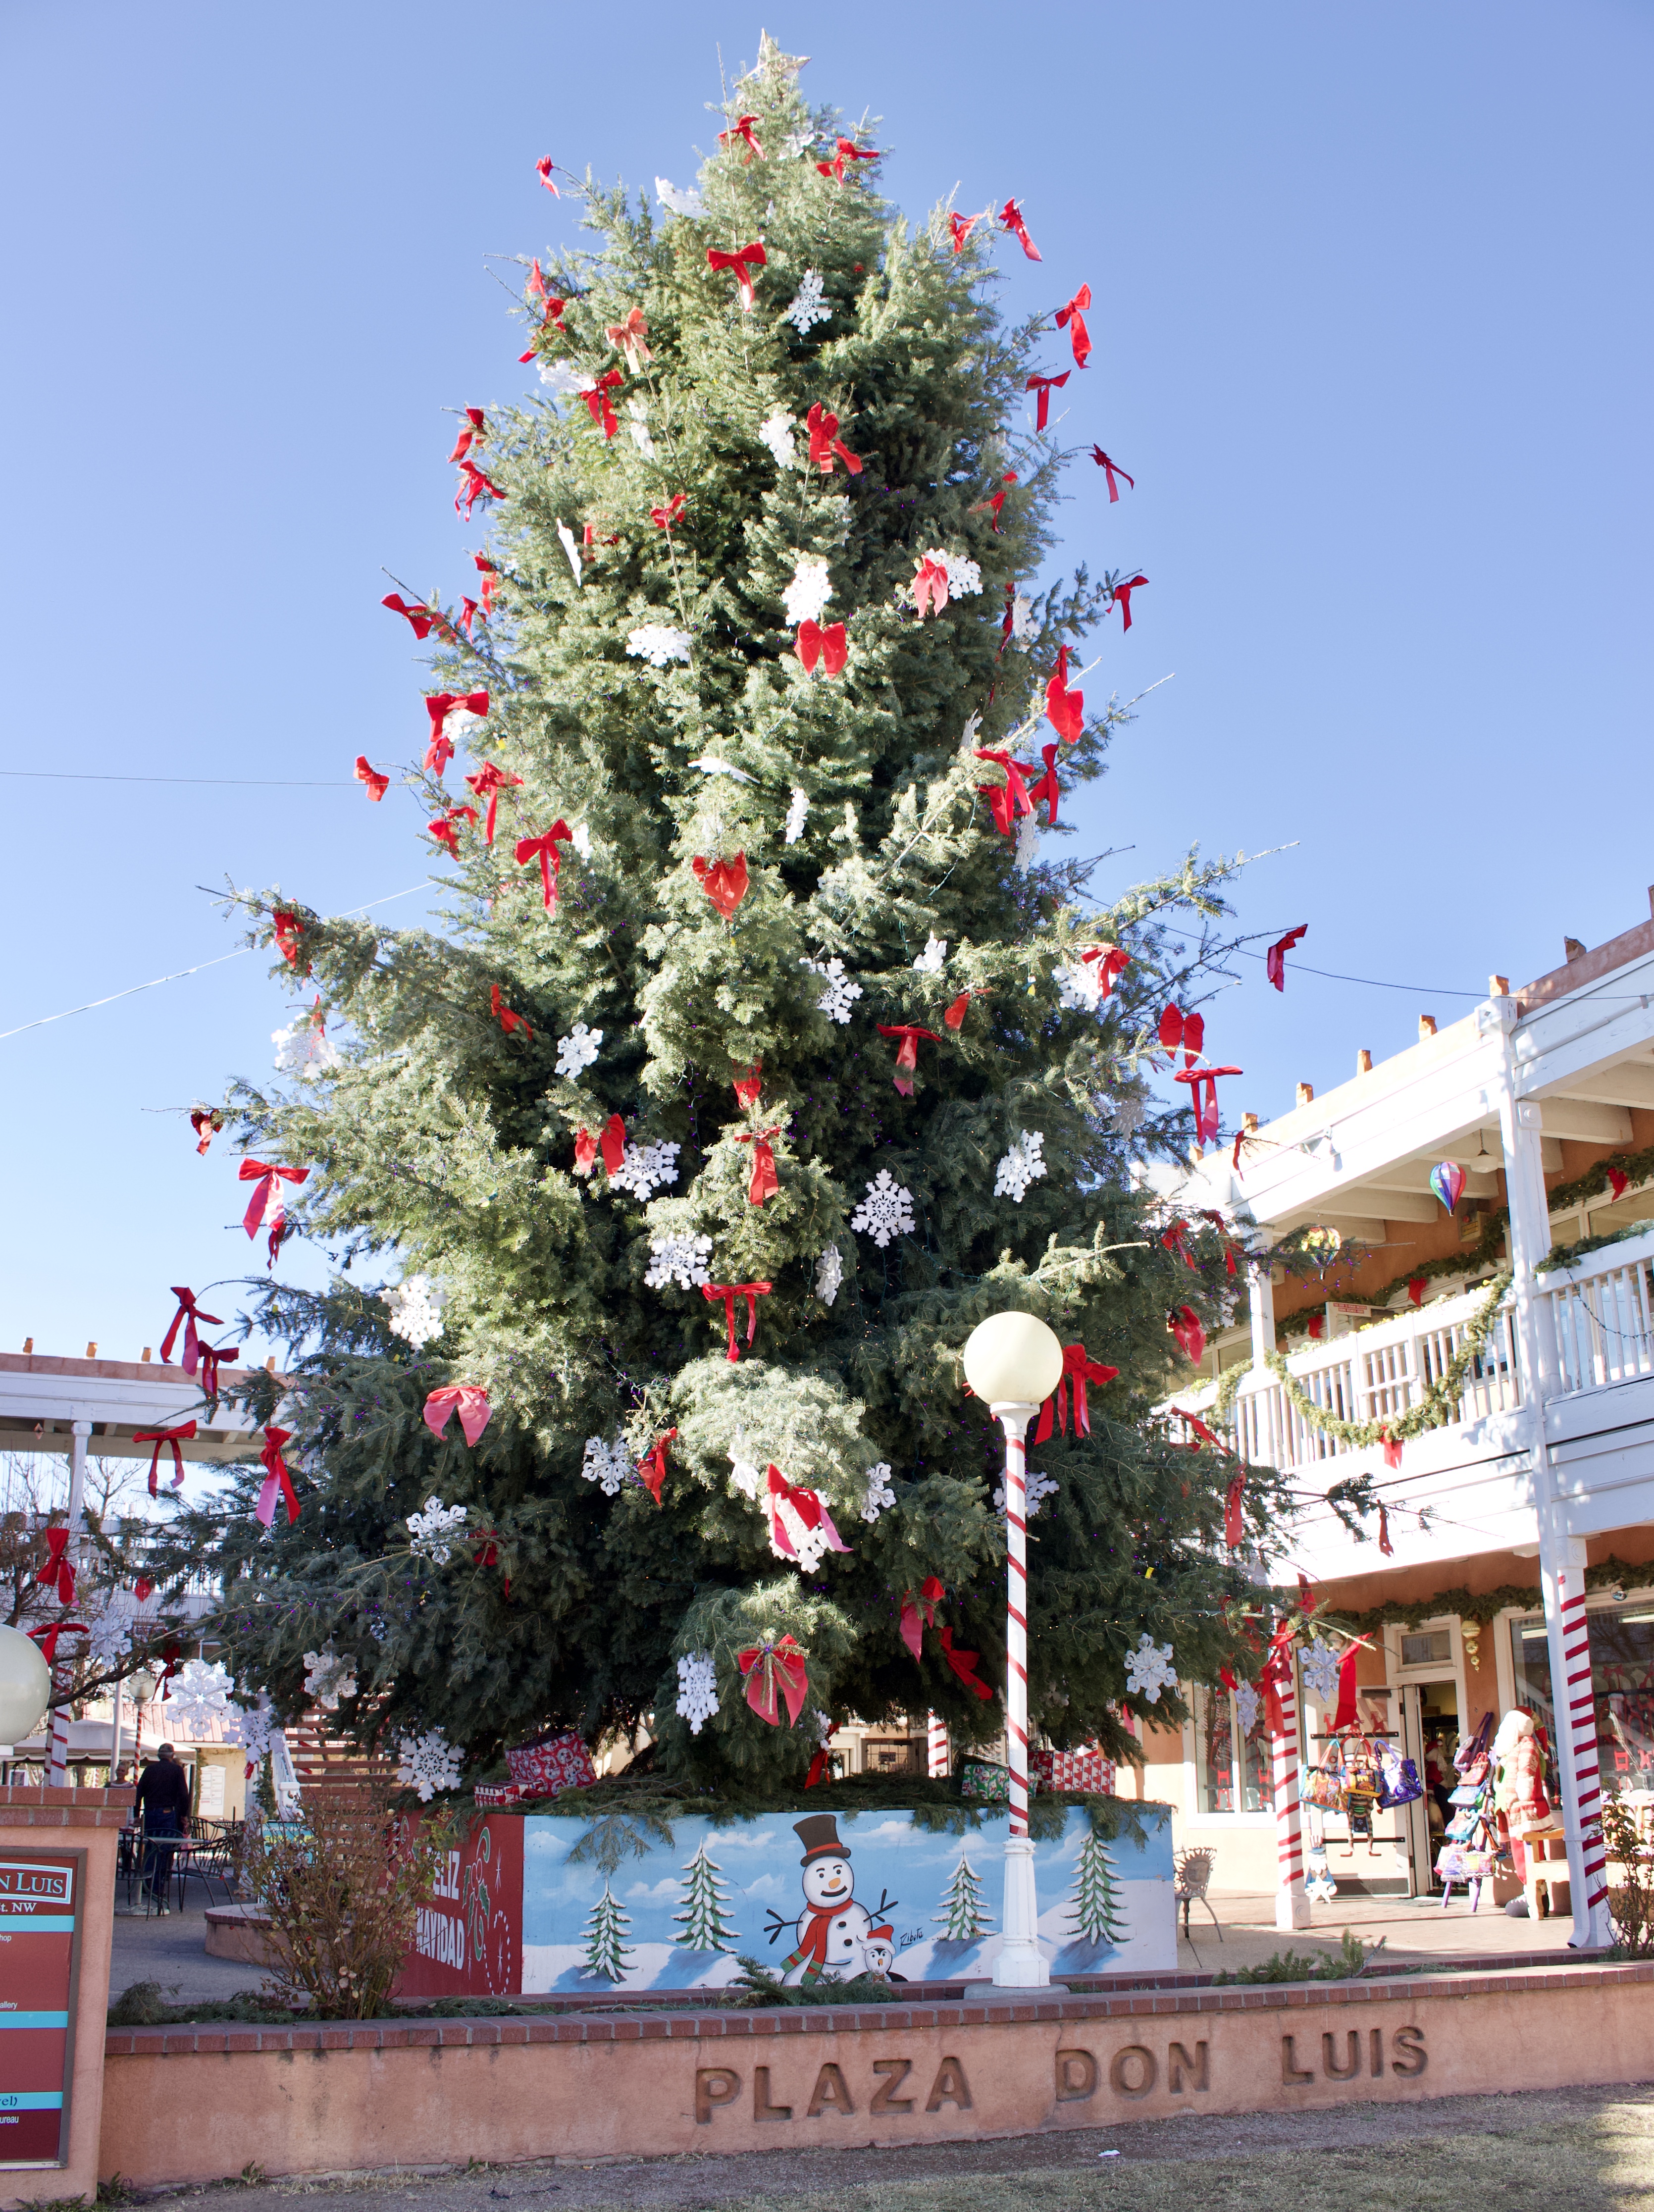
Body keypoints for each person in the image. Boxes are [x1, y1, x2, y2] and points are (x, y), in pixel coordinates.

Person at [135, 1744, 190, 1912]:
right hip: (167, 1813)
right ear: (172, 1756)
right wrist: (184, 1816)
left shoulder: (150, 1770)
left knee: (150, 1846)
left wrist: (137, 1815)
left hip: (150, 1813)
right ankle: (157, 1886)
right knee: (163, 1849)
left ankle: (146, 1882)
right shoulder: (176, 1771)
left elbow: (139, 1793)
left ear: (159, 1756)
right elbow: (184, 1795)